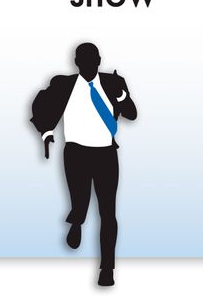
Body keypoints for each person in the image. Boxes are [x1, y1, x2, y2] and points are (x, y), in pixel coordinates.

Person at [31, 42, 138, 287]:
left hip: (106, 155)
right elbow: (41, 106)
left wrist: (121, 95)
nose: (88, 65)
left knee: (108, 213)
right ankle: (77, 220)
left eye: (92, 60)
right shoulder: (63, 84)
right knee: (80, 203)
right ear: (76, 63)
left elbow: (132, 114)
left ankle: (107, 268)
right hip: (76, 155)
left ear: (99, 61)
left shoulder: (114, 83)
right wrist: (46, 131)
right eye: (83, 61)